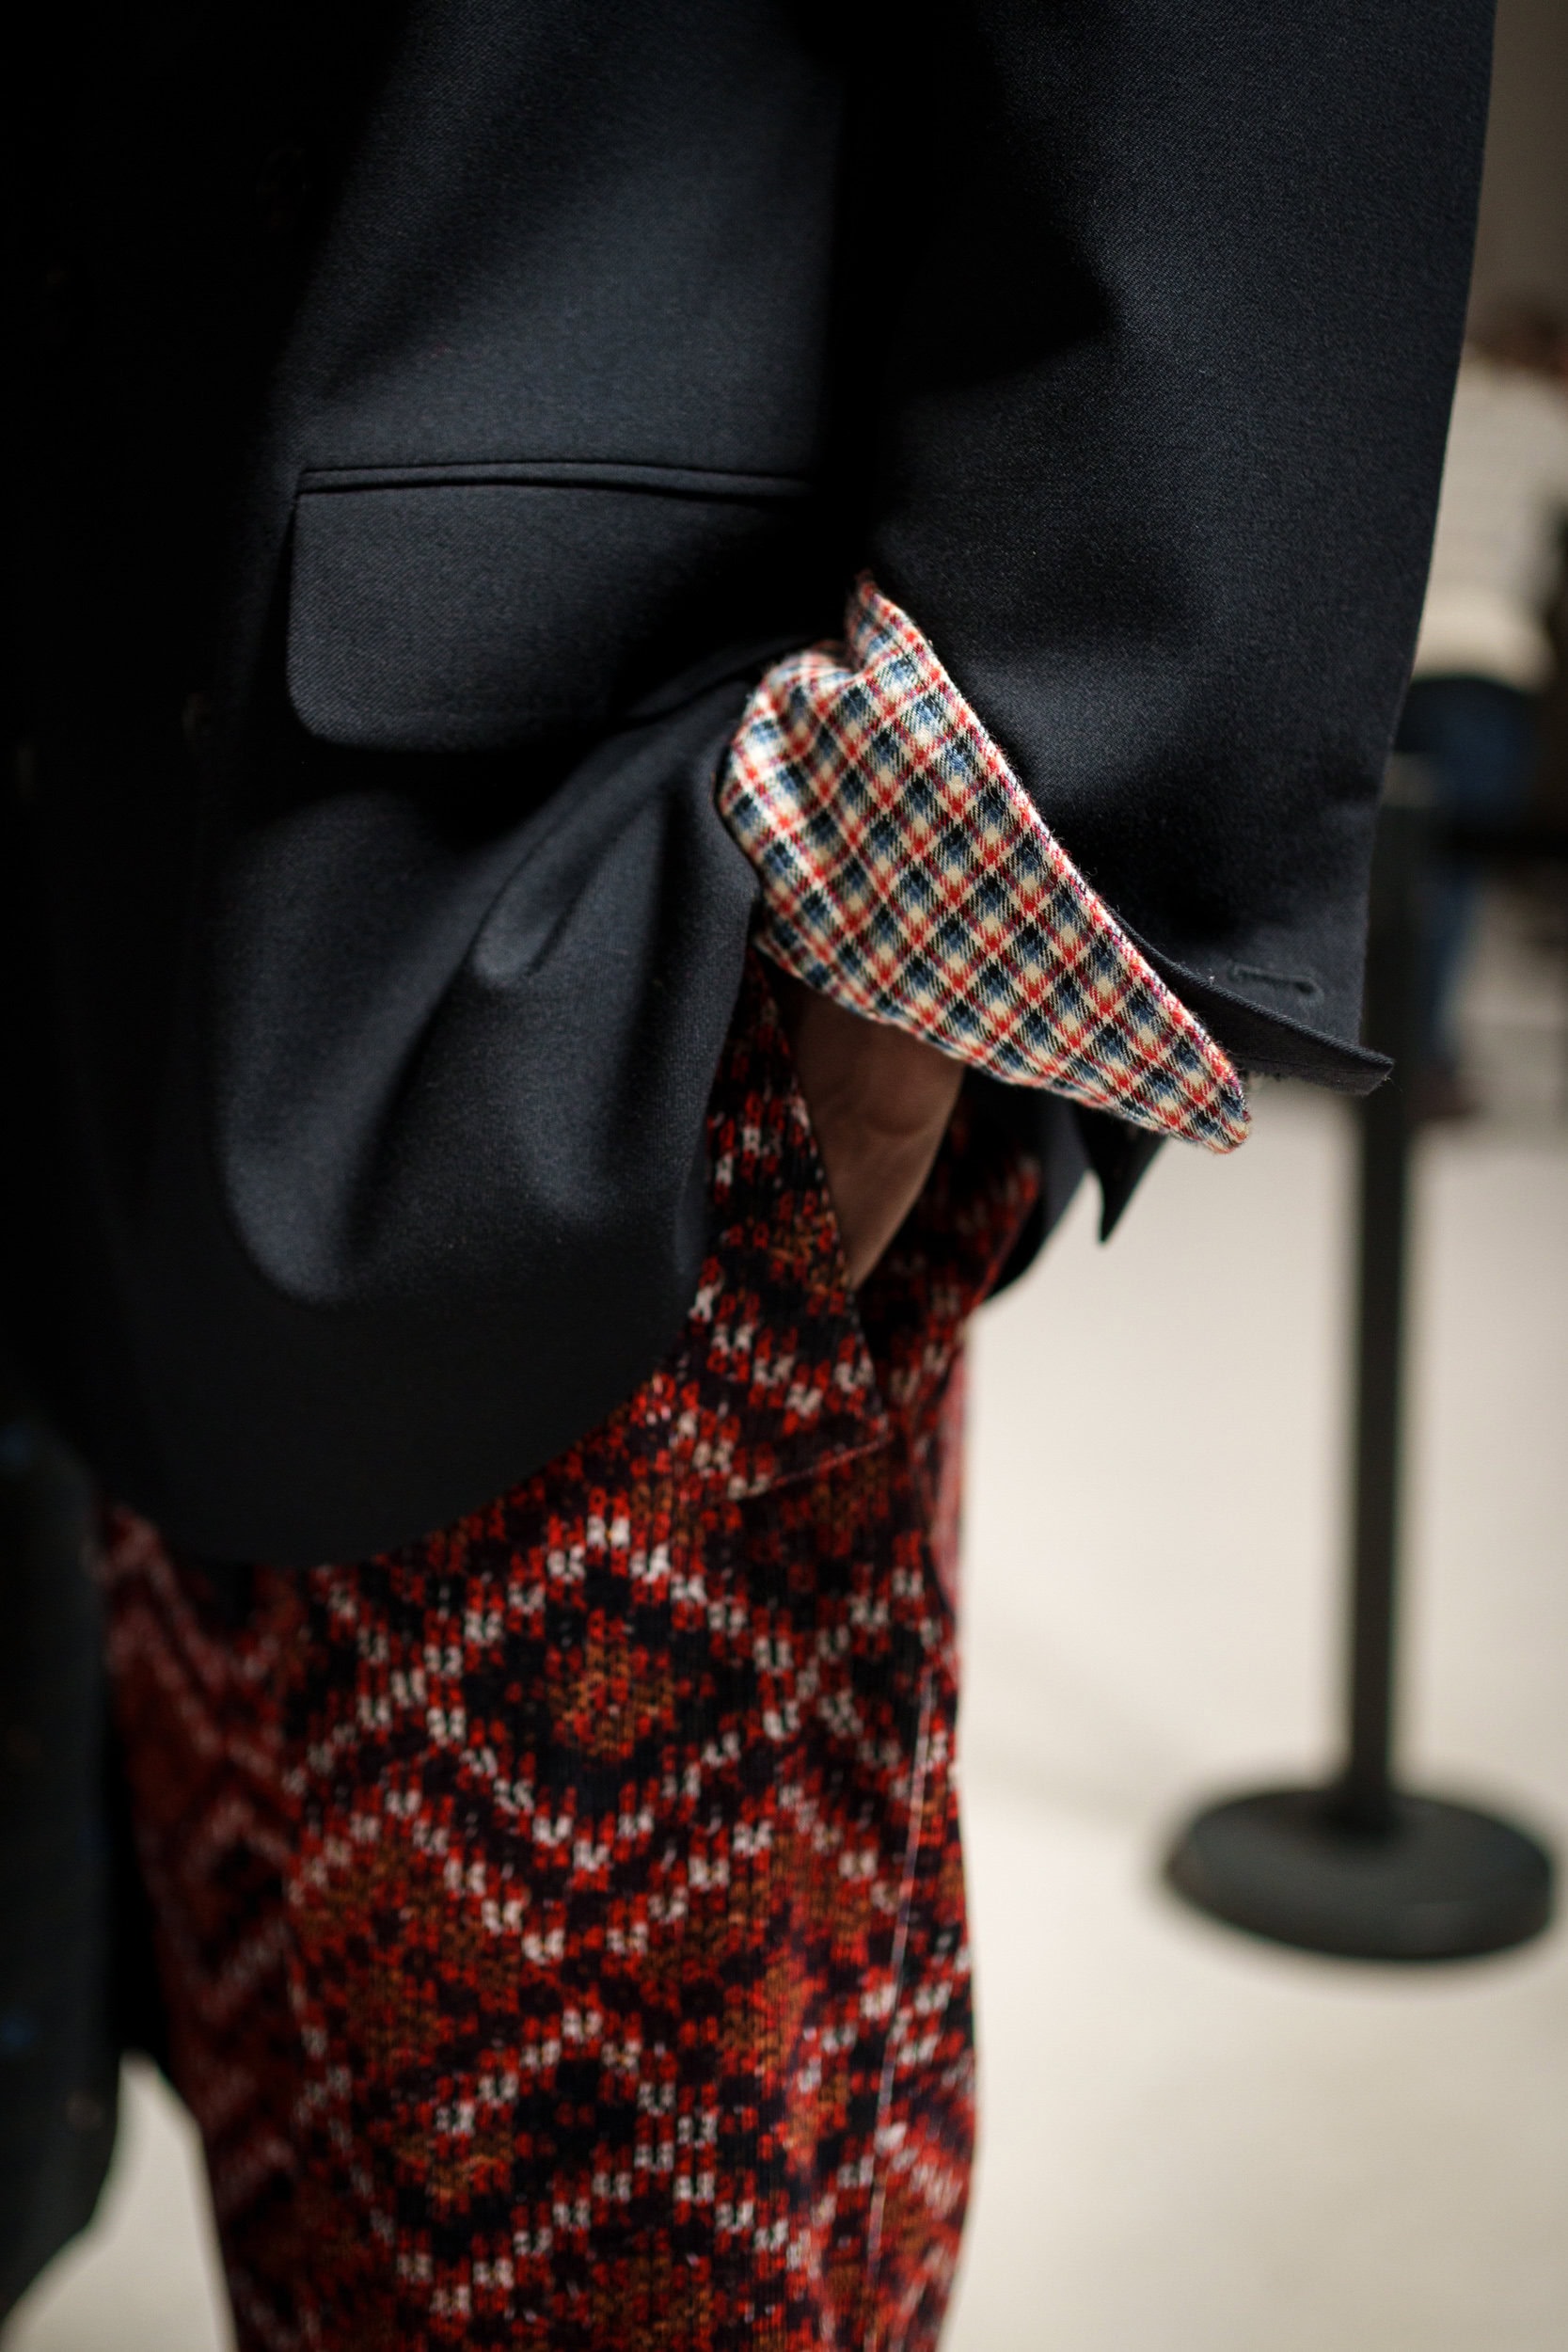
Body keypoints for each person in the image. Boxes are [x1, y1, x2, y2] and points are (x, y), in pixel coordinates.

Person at [4, 2, 1491, 2344]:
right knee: (307, 2192)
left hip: (583, 912)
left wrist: (944, 864)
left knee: (627, 2276)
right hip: (140, 860)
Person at [1399, 301, 1568, 1114]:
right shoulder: (1545, 419)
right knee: (1451, 871)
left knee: (1382, 862)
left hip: (1396, 655)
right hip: (1485, 662)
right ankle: (1420, 1056)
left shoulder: (1425, 395)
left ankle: (1375, 1039)